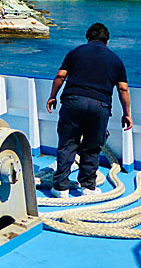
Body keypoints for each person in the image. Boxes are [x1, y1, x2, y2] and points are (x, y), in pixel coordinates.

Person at [46, 23, 132, 198]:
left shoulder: (75, 53)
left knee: (68, 143)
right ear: (107, 42)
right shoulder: (116, 60)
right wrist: (127, 114)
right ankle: (88, 187)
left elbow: (60, 75)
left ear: (88, 38)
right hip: (99, 106)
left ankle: (61, 188)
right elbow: (123, 89)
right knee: (92, 146)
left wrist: (52, 96)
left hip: (73, 101)